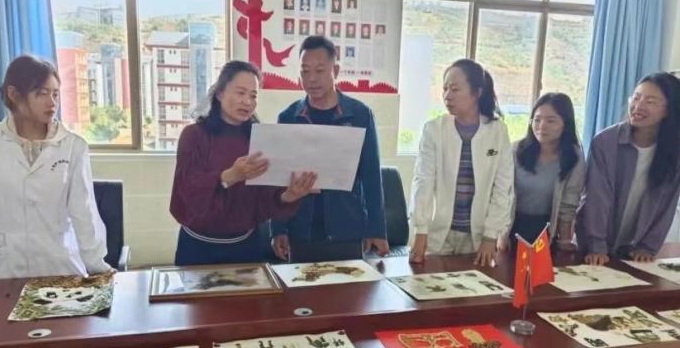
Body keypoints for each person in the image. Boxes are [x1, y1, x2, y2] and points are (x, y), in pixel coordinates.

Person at [0, 55, 111, 282]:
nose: (52, 102)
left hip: (58, 265)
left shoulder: (73, 146)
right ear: (14, 94)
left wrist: (97, 266)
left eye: (55, 94)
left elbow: (83, 211)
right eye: (42, 93)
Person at [170, 61, 317, 266]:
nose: (247, 101)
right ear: (220, 93)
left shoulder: (259, 139)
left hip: (245, 246)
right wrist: (230, 176)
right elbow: (186, 190)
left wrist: (289, 196)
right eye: (240, 93)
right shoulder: (194, 135)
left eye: (253, 95)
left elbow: (265, 200)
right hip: (198, 247)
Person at [270, 36, 388, 262]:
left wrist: (377, 229)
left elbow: (371, 175)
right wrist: (278, 229)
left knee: (350, 284)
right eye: (305, 71)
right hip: (300, 229)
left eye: (320, 70)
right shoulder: (289, 117)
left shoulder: (359, 115)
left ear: (336, 70)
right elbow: (280, 180)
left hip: (347, 228)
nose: (312, 78)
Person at [408, 59, 513, 266]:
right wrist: (420, 230)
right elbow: (423, 181)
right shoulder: (434, 130)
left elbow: (503, 188)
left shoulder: (497, 131)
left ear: (477, 92)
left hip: (478, 238)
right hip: (438, 234)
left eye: (455, 89)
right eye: (445, 89)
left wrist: (491, 235)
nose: (447, 96)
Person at [577, 72, 680, 265]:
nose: (638, 106)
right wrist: (597, 245)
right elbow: (596, 197)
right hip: (594, 247)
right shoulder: (605, 142)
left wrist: (648, 247)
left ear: (668, 110)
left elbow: (667, 202)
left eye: (650, 101)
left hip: (634, 251)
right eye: (636, 98)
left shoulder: (677, 150)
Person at [508, 92, 585, 249]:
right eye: (537, 120)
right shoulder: (516, 150)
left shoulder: (574, 156)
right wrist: (501, 235)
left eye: (551, 121)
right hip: (511, 226)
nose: (542, 126)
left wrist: (565, 241)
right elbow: (503, 195)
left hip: (547, 230)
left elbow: (569, 204)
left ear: (566, 124)